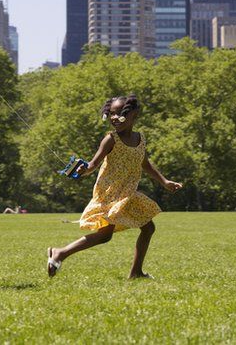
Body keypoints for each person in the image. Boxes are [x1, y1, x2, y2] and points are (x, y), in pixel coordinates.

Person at [47, 95, 182, 279]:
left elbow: (144, 163)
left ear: (134, 114)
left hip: (128, 193)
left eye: (120, 113)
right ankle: (60, 253)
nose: (114, 117)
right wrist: (82, 169)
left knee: (145, 228)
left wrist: (164, 181)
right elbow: (93, 165)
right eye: (111, 113)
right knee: (106, 235)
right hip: (110, 193)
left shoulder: (140, 138)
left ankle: (135, 272)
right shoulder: (111, 139)